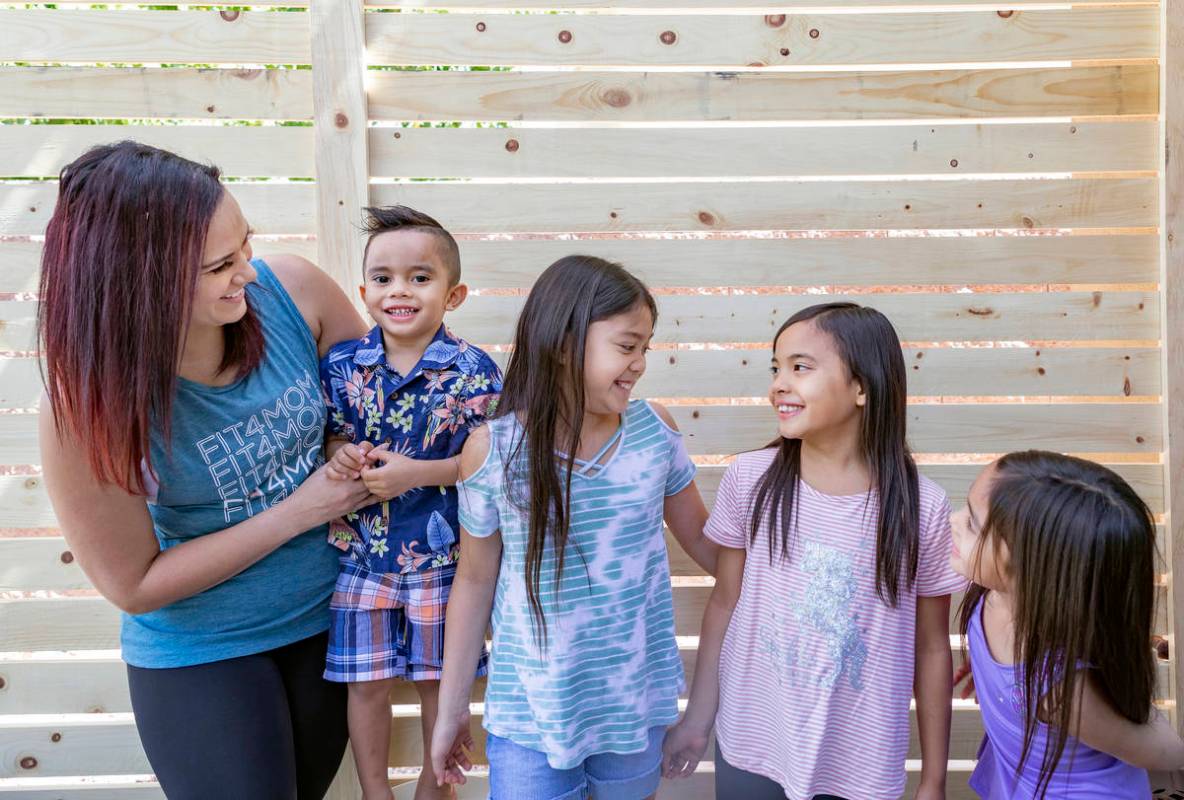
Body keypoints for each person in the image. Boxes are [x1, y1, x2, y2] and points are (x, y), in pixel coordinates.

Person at [36, 141, 373, 799]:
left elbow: (383, 406)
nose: (247, 272)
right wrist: (299, 511)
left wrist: (346, 445)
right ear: (139, 283)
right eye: (220, 264)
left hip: (330, 622)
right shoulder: (85, 408)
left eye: (245, 246)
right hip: (203, 650)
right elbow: (133, 583)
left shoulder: (296, 293)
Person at [429, 255, 718, 800]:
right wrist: (451, 712)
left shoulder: (656, 434)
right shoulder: (493, 452)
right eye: (627, 346)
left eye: (644, 349)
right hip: (530, 719)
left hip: (633, 710)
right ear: (563, 344)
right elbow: (472, 584)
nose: (639, 364)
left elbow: (704, 542)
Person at [662, 302, 964, 799]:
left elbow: (931, 649)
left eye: (800, 367)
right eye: (776, 368)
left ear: (863, 387)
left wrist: (933, 779)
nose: (780, 383)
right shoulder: (750, 479)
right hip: (751, 743)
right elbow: (725, 603)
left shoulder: (921, 508)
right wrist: (698, 719)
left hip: (860, 765)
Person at [319, 206, 501, 800]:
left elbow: (482, 465)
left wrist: (418, 473)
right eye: (383, 278)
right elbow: (331, 434)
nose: (399, 290)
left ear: (453, 295)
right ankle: (375, 791)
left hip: (441, 562)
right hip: (362, 558)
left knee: (437, 682)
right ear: (364, 290)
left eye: (420, 278)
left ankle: (434, 788)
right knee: (364, 684)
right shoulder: (343, 366)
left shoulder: (474, 373)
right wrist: (342, 455)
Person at [950, 450, 1184, 798]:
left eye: (971, 523)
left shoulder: (1060, 691)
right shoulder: (993, 593)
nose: (954, 520)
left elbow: (1161, 749)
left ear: (1030, 568)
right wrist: (990, 670)